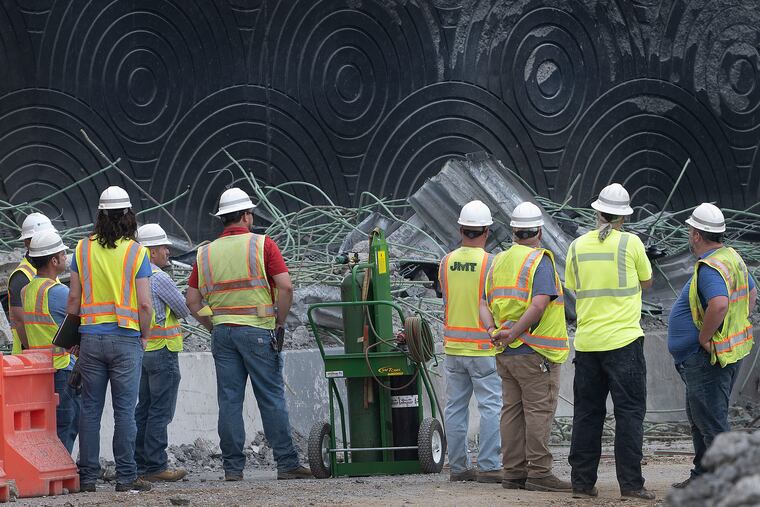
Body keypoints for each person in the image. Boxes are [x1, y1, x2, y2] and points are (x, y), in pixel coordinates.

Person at [185, 188, 310, 481]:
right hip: (257, 330)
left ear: (222, 219)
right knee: (270, 397)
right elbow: (286, 287)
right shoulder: (262, 245)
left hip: (223, 333)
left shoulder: (205, 253)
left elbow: (192, 301)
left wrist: (212, 325)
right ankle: (286, 462)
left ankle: (232, 468)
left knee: (229, 400)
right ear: (245, 216)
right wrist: (279, 320)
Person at [565, 183, 655, 500]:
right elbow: (647, 280)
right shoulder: (631, 244)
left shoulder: (576, 246)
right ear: (623, 218)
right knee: (629, 413)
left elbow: (573, 285)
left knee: (587, 414)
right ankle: (631, 485)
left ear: (597, 212)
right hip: (624, 343)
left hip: (588, 344)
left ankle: (581, 484)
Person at [66, 186, 153, 493]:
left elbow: (74, 299)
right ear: (129, 216)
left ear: (99, 215)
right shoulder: (136, 252)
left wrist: (74, 337)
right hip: (126, 339)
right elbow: (144, 304)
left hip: (90, 339)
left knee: (89, 409)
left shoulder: (82, 249)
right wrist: (145, 334)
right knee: (125, 411)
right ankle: (126, 477)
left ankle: (87, 477)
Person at [480, 202, 571, 492]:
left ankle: (514, 472)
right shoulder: (539, 261)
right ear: (539, 231)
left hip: (506, 353)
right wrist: (515, 333)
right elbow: (540, 303)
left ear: (513, 231)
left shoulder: (498, 261)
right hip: (535, 352)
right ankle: (540, 472)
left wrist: (494, 332)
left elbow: (482, 302)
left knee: (511, 411)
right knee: (538, 411)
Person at [669, 203, 756, 489]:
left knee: (711, 421)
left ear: (695, 234)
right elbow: (751, 293)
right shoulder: (731, 257)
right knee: (701, 417)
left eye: (689, 231)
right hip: (723, 353)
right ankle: (704, 475)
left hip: (707, 358)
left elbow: (719, 304)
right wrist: (736, 323)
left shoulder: (710, 267)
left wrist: (705, 338)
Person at [438, 200, 502, 483]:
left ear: (461, 229)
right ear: (486, 231)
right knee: (490, 406)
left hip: (453, 347)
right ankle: (489, 466)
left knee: (455, 408)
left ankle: (459, 467)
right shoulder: (492, 263)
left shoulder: (446, 261)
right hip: (483, 347)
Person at [134, 224, 190, 482]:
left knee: (143, 408)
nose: (168, 251)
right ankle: (156, 465)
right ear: (151, 252)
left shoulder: (132, 278)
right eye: (163, 247)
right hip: (163, 352)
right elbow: (183, 309)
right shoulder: (159, 278)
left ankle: (139, 462)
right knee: (160, 410)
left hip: (142, 352)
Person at [21, 230, 80, 452]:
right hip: (61, 368)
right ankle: (64, 469)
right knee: (67, 421)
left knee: (48, 425)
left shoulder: (28, 290)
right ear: (54, 260)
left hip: (39, 368)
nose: (66, 257)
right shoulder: (58, 292)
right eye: (63, 253)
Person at [8, 213, 56, 353]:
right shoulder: (21, 276)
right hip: (30, 359)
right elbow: (20, 321)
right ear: (27, 242)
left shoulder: (49, 269)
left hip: (53, 356)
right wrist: (35, 353)